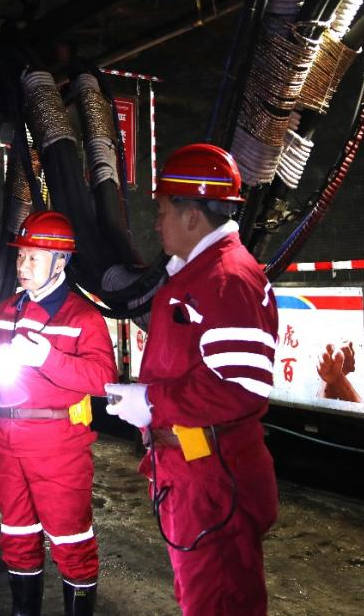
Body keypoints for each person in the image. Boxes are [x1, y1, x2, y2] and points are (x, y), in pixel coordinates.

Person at [105, 143, 279, 615]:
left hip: (212, 477)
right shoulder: (200, 275)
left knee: (217, 602)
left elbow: (240, 387)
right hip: (195, 470)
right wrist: (147, 402)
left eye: (162, 211)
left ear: (192, 216)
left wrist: (153, 403)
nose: (156, 223)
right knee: (203, 596)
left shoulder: (225, 280)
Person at [0, 211, 117, 616]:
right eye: (21, 256)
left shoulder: (82, 317)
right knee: (16, 535)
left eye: (34, 257)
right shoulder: (3, 312)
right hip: (7, 438)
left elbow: (103, 379)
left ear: (60, 262)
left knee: (70, 541)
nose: (23, 265)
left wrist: (49, 358)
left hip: (58, 445)